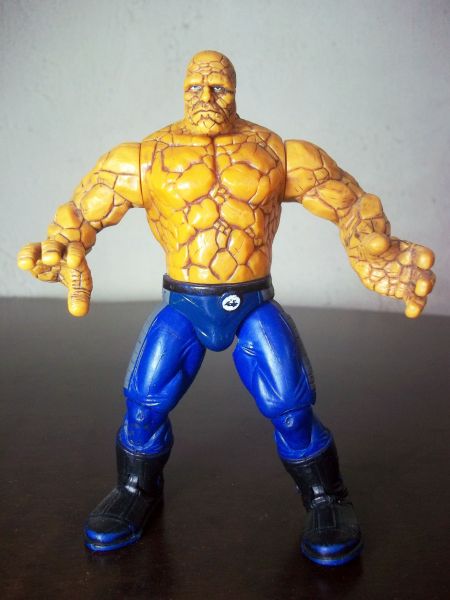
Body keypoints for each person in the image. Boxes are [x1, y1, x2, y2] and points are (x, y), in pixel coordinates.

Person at [17, 50, 435, 566]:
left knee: (291, 406)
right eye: (196, 87)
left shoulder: (277, 153)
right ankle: (135, 489)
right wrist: (61, 249)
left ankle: (326, 497)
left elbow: (349, 204)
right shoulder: (144, 158)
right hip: (184, 303)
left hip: (254, 302)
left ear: (235, 91)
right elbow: (82, 213)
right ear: (182, 90)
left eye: (218, 87)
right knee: (143, 403)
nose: (207, 97)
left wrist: (373, 250)